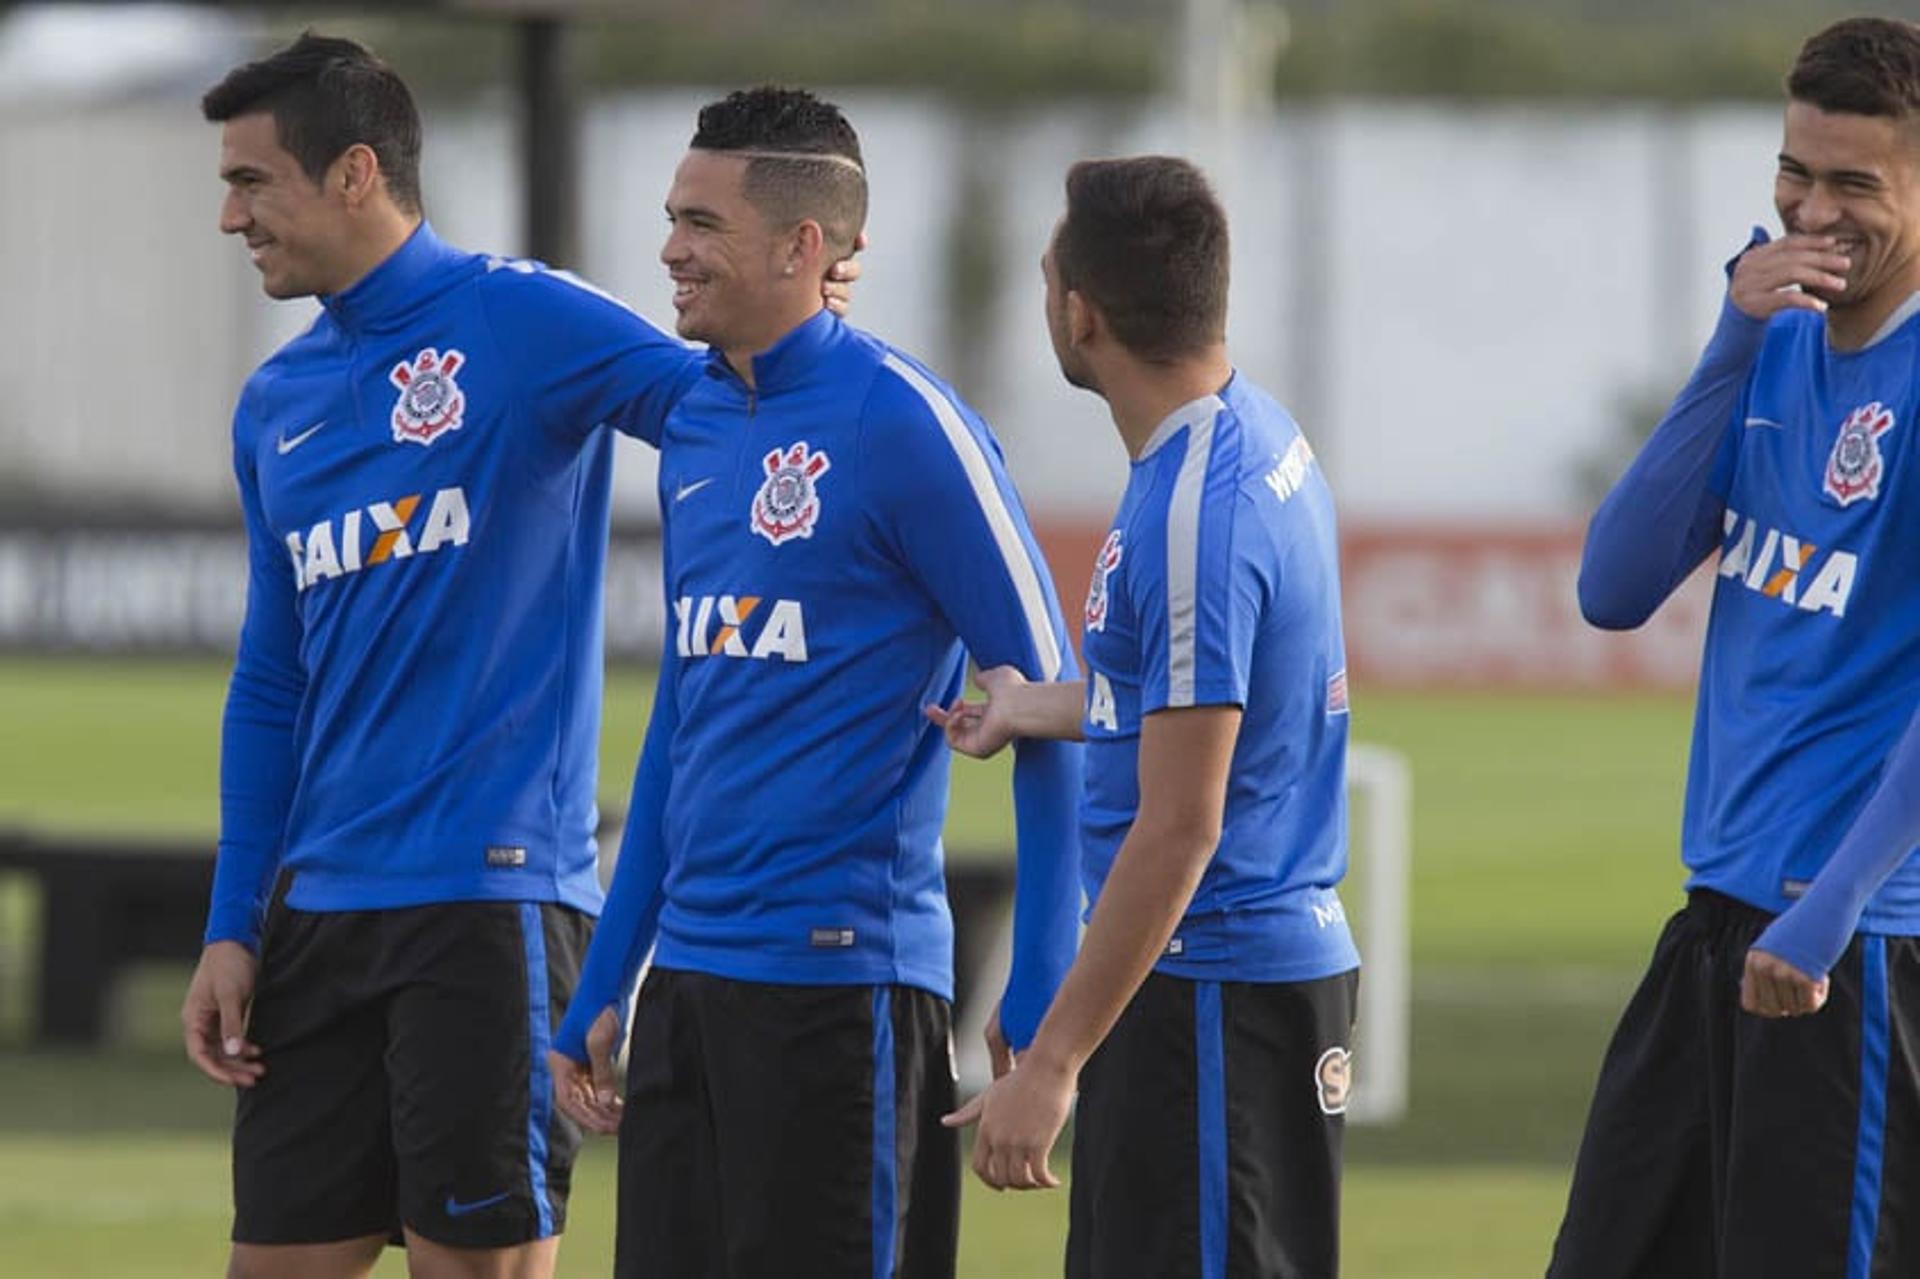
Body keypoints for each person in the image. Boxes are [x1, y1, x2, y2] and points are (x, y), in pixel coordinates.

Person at [177, 34, 855, 1279]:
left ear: (354, 173)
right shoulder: (276, 403)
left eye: (252, 182)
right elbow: (270, 679)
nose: (230, 217)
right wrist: (234, 920)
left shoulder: (519, 316)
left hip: (487, 908)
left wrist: (808, 331)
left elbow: (727, 403)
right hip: (315, 916)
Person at [546, 87, 1083, 1278]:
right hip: (686, 992)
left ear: (803, 248)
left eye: (701, 222)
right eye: (672, 215)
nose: (670, 249)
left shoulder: (911, 427)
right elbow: (685, 718)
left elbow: (1055, 709)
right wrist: (609, 970)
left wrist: (1043, 982)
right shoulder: (692, 422)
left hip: (844, 994)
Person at [931, 155, 1360, 1279]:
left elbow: (1183, 821)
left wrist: (1054, 1061)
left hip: (1211, 994)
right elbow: (1198, 702)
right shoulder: (1251, 436)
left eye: (1044, 285)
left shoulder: (1195, 514)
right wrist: (1040, 707)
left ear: (1081, 312)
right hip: (1233, 988)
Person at [1557, 16, 1920, 1277]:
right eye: (1795, 173)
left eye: (1855, 183)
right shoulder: (1771, 339)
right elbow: (1612, 586)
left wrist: (1832, 909)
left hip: (1854, 948)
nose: (1814, 210)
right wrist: (1729, 337)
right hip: (1715, 929)